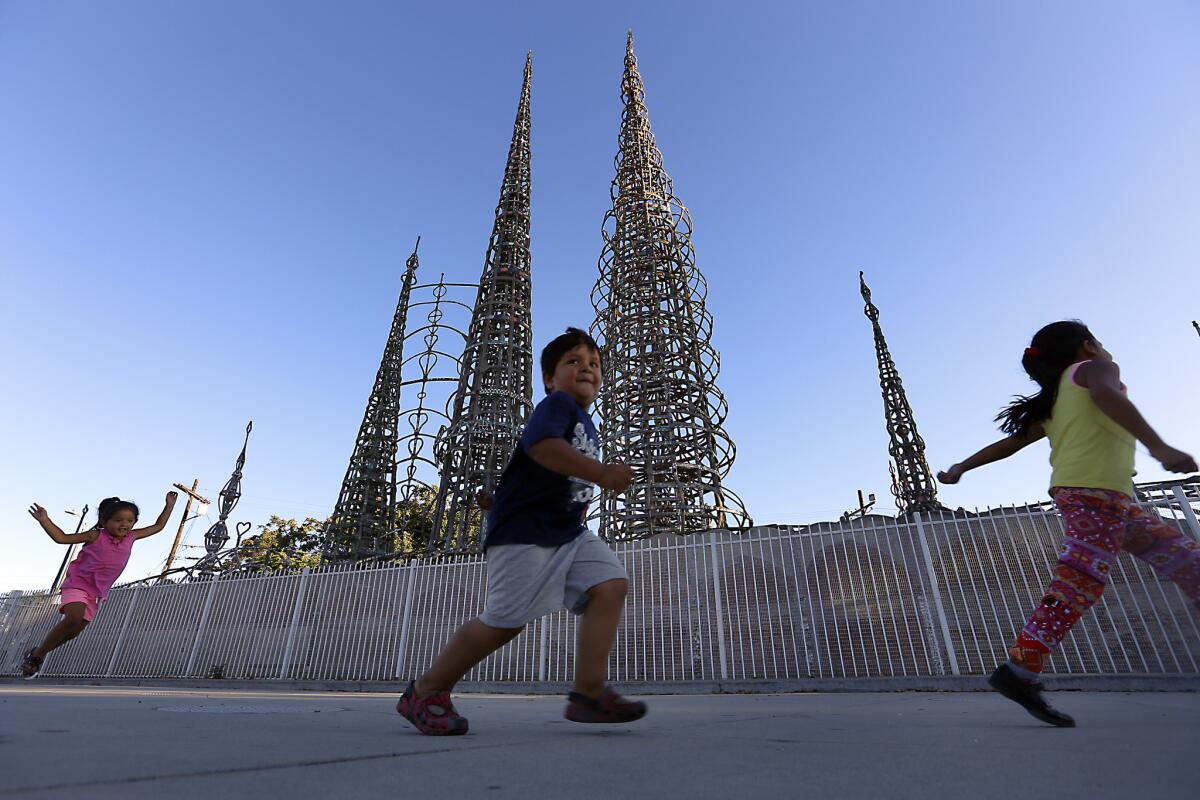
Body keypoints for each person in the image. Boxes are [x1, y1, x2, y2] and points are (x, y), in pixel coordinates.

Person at [938, 321, 1198, 726]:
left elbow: (1012, 442)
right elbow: (1108, 394)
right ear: (1088, 347)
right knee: (1079, 581)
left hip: (1104, 501)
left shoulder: (1059, 397)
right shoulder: (1095, 371)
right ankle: (1020, 670)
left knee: (1187, 561)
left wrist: (962, 467)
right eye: (1101, 341)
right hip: (1095, 496)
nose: (1106, 348)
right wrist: (1158, 445)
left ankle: (1019, 671)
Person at [396, 328, 646, 735]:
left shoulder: (586, 422)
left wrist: (500, 496)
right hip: (525, 532)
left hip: (568, 531)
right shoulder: (558, 405)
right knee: (505, 621)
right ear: (549, 378)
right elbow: (541, 448)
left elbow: (535, 471)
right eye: (574, 362)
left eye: (594, 364)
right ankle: (425, 691)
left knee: (611, 584)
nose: (587, 368)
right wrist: (601, 473)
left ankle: (589, 693)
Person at [22, 492, 179, 678]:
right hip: (77, 584)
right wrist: (44, 520)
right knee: (73, 619)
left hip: (96, 593)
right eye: (118, 520)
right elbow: (62, 538)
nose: (124, 525)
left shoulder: (131, 537)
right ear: (105, 522)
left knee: (75, 631)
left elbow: (158, 526)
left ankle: (38, 652)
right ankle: (37, 657)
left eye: (130, 521)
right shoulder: (95, 536)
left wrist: (169, 505)